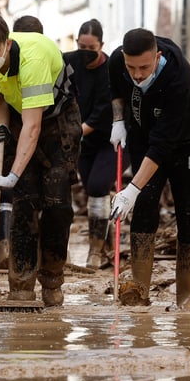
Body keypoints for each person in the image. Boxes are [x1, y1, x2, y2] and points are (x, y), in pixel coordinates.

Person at [0, 12, 81, 306]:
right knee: (23, 202)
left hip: (58, 119)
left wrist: (12, 174)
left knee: (57, 204)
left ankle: (53, 280)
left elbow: (34, 127)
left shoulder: (34, 59)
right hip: (20, 113)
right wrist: (1, 125)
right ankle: (20, 285)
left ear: (6, 44)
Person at [108, 28, 190, 310]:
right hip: (143, 136)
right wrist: (118, 120)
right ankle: (139, 293)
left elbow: (163, 146)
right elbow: (116, 88)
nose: (137, 75)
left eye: (144, 67)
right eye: (132, 67)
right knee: (145, 206)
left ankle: (185, 299)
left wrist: (131, 190)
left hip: (187, 140)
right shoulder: (118, 61)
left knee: (188, 211)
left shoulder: (178, 77)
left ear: (158, 56)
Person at [64, 19, 116, 269]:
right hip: (82, 139)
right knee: (88, 186)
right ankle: (106, 244)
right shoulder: (70, 62)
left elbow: (102, 111)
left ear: (101, 45)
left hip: (109, 137)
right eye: (81, 47)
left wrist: (74, 132)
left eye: (91, 48)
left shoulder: (111, 69)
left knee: (98, 185)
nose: (85, 54)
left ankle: (95, 250)